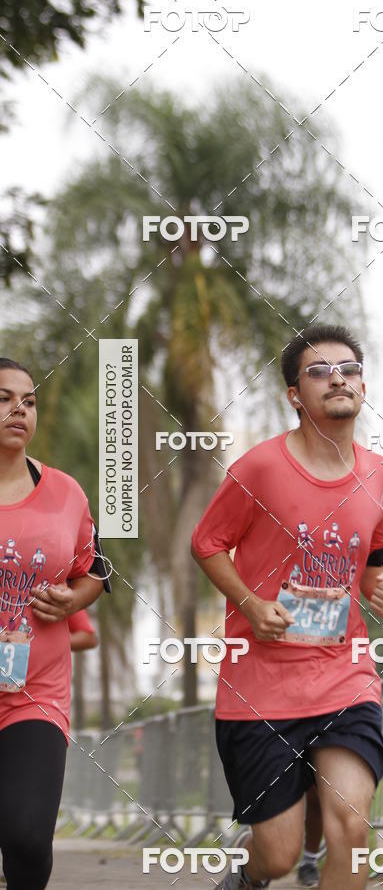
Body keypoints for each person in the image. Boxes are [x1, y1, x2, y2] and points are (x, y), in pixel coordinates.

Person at [191, 325, 383, 890]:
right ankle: (250, 871)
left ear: (362, 384)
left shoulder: (382, 475)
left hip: (344, 676)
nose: (338, 377)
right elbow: (206, 543)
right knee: (280, 856)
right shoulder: (260, 468)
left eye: (350, 369)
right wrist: (251, 604)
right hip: (260, 689)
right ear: (294, 395)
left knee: (350, 826)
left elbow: (382, 555)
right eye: (319, 370)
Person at [0, 357, 109, 889]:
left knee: (24, 833)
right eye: (3, 398)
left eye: (29, 400)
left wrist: (71, 602)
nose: (18, 409)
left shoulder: (67, 493)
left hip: (33, 693)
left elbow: (96, 571)